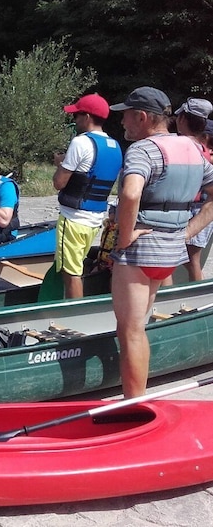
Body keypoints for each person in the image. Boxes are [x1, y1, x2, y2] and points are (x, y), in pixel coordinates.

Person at [108, 87, 213, 398]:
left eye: (126, 115)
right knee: (138, 326)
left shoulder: (142, 150)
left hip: (140, 252)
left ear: (142, 117)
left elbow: (130, 193)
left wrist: (124, 238)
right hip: (169, 251)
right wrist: (186, 233)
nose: (122, 121)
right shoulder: (193, 149)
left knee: (130, 331)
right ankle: (136, 397)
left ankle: (133, 406)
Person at [52, 93, 123, 298]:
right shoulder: (115, 145)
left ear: (87, 117)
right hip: (95, 220)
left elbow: (59, 183)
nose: (75, 120)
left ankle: (74, 315)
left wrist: (60, 165)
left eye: (77, 115)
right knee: (78, 264)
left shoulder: (80, 142)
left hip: (73, 219)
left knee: (71, 272)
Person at [174, 98, 213, 281]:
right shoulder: (202, 149)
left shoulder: (189, 149)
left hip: (195, 209)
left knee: (191, 260)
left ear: (183, 120)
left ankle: (193, 296)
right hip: (198, 208)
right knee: (188, 260)